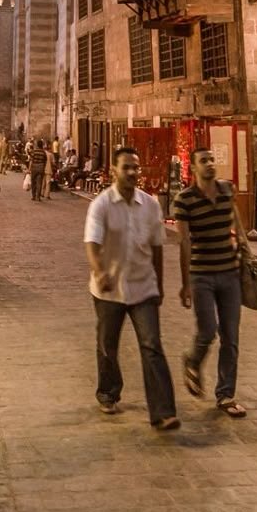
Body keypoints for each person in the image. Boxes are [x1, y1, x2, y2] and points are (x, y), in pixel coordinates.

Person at [83, 147, 179, 430]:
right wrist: (99, 272)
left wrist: (159, 284)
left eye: (136, 167)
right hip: (109, 290)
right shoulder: (101, 204)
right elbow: (92, 243)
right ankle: (108, 393)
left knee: (152, 347)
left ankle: (163, 411)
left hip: (143, 288)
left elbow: (157, 247)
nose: (133, 172)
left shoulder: (150, 205)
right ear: (114, 170)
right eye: (126, 167)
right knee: (107, 345)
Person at [174, 148, 247, 418]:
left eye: (212, 159)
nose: (210, 164)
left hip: (230, 273)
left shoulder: (228, 190)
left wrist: (244, 250)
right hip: (201, 274)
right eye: (203, 161)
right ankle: (192, 361)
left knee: (231, 337)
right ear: (192, 167)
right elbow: (184, 242)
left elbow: (236, 225)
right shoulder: (184, 200)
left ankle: (226, 394)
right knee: (208, 331)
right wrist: (185, 284)